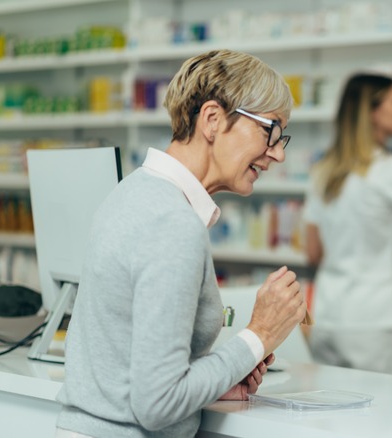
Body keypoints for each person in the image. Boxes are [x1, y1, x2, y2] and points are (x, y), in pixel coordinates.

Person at [55, 50, 307, 437]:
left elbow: (131, 368)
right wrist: (260, 335)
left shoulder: (133, 192)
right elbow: (157, 404)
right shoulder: (173, 223)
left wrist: (211, 384)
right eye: (270, 129)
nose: (279, 152)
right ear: (212, 119)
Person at [304, 73, 392, 375]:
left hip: (327, 316)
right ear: (372, 112)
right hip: (372, 322)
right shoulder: (391, 170)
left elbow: (312, 252)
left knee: (325, 415)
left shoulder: (323, 171)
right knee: (374, 417)